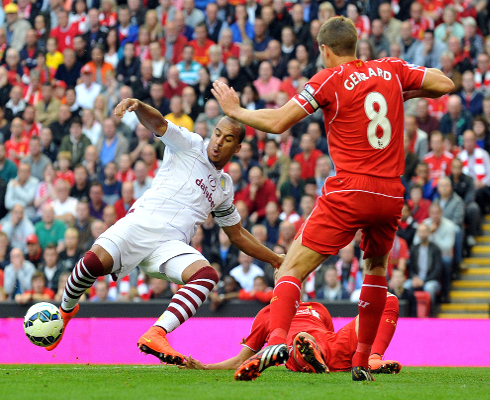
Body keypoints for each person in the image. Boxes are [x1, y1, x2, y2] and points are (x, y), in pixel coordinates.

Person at [211, 15, 453, 381]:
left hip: (351, 189)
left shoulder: (327, 79)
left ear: (324, 50)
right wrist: (401, 90)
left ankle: (277, 339)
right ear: (355, 45)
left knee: (291, 267)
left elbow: (278, 121)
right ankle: (360, 360)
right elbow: (444, 83)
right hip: (391, 192)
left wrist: (236, 111)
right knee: (375, 270)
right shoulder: (390, 69)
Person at [47, 97, 285, 366]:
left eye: (227, 139)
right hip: (140, 225)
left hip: (171, 245)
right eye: (217, 133)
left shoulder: (224, 187)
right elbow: (158, 123)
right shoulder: (190, 144)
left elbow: (237, 233)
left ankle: (156, 333)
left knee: (206, 277)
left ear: (238, 147)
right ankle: (66, 311)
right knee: (91, 263)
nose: (218, 142)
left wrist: (275, 259)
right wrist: (138, 106)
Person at [180, 292, 401, 375]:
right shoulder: (266, 314)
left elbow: (332, 335)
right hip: (296, 351)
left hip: (331, 343)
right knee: (301, 340)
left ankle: (372, 359)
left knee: (387, 298)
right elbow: (241, 359)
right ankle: (308, 353)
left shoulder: (318, 308)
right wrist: (206, 367)